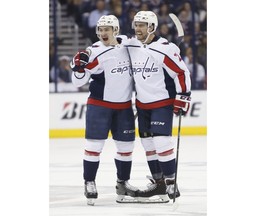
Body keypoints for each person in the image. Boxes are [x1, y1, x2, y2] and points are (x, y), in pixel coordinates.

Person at [70, 15, 138, 205]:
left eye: (106, 29)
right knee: (93, 147)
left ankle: (123, 183)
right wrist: (78, 67)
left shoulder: (127, 44)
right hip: (99, 107)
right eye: (100, 29)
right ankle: (89, 182)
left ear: (115, 30)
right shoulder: (94, 52)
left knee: (126, 148)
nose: (102, 33)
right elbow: (78, 81)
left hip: (124, 107)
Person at [127, 11, 192, 202]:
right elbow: (117, 42)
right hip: (142, 104)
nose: (138, 28)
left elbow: (181, 72)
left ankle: (171, 183)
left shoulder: (165, 48)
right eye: (136, 24)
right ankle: (159, 183)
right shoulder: (132, 45)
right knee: (148, 144)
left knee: (162, 142)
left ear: (152, 28)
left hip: (162, 103)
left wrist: (183, 96)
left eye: (142, 25)